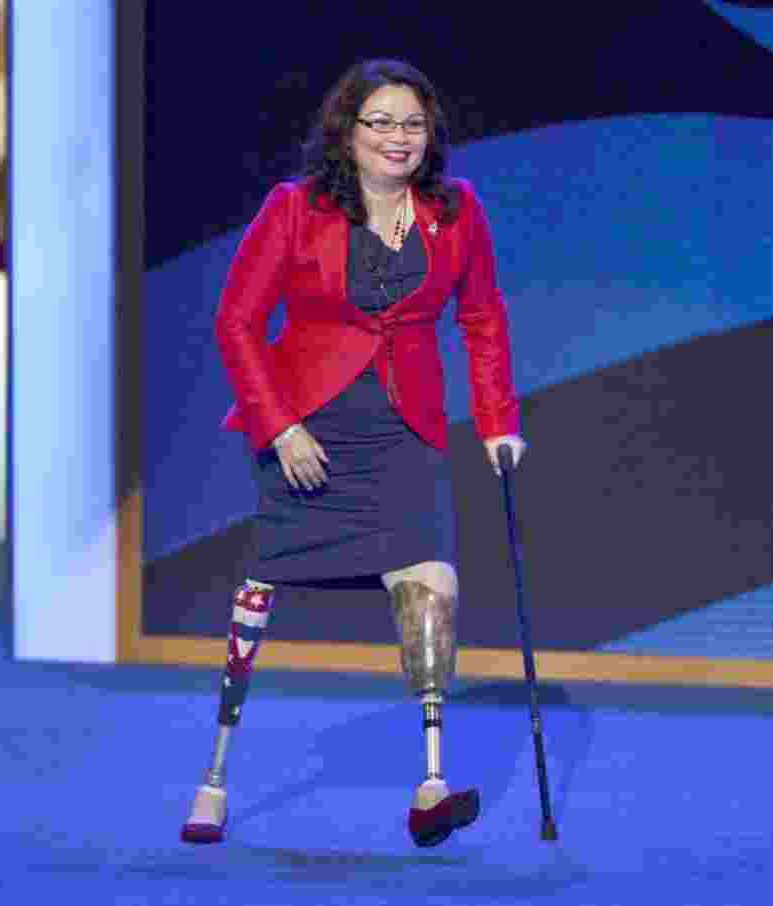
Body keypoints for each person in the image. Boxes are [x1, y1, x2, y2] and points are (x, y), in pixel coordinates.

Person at [182, 59, 527, 848]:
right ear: (347, 131)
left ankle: (433, 781)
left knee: (430, 581)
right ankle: (214, 777)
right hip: (308, 433)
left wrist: (499, 419)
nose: (398, 138)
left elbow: (482, 318)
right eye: (381, 122)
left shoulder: (454, 209)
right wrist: (278, 427)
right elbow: (238, 322)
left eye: (413, 123)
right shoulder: (296, 209)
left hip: (405, 431)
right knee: (259, 595)